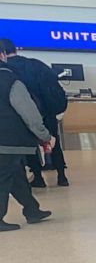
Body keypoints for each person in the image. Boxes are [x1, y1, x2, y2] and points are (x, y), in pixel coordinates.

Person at [0, 38, 68, 187]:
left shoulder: (6, 71)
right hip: (47, 112)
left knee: (30, 147)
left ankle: (38, 177)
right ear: (16, 50)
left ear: (3, 53)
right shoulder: (36, 64)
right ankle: (62, 176)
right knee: (53, 141)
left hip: (21, 116)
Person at [0, 56, 53, 231]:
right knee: (4, 177)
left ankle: (32, 210)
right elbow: (29, 113)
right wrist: (44, 135)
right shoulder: (10, 80)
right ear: (3, 56)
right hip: (8, 140)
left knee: (14, 175)